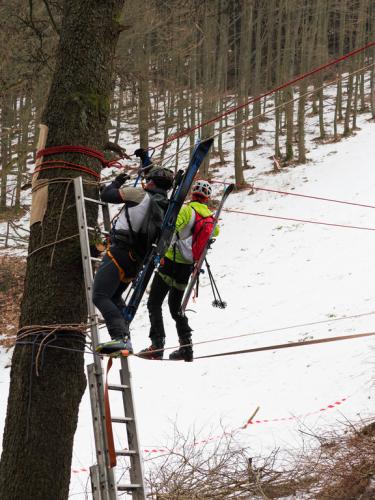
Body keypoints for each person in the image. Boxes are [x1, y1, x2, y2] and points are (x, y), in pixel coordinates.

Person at [93, 150, 174, 355]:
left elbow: (107, 195)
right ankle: (124, 337)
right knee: (113, 297)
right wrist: (145, 160)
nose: (145, 182)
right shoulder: (164, 207)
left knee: (100, 296)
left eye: (148, 180)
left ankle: (120, 338)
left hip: (119, 252)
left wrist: (117, 181)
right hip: (136, 261)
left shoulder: (140, 194)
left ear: (152, 183)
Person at [140, 179, 219, 362]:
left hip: (171, 261)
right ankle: (186, 347)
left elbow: (172, 229)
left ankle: (157, 345)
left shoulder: (186, 210)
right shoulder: (209, 217)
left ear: (193, 193)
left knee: (154, 303)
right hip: (187, 268)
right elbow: (215, 232)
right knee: (176, 308)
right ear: (207, 198)